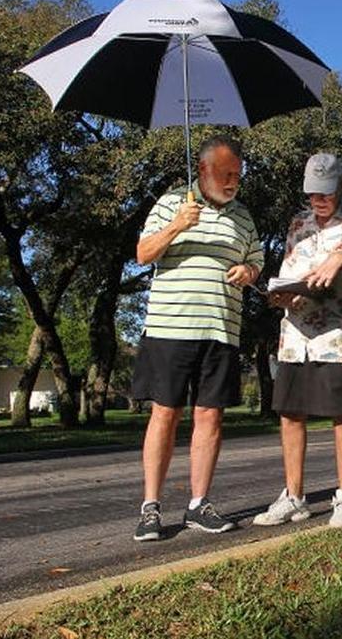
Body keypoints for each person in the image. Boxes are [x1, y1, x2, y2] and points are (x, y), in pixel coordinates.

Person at [130, 135, 262, 542]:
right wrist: (177, 225)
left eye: (237, 175)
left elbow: (255, 259)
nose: (233, 182)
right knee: (165, 414)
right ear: (203, 170)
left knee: (210, 416)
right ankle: (150, 508)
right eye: (225, 174)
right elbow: (142, 253)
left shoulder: (243, 216)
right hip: (171, 329)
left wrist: (249, 273)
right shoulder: (172, 202)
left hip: (222, 329)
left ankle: (198, 504)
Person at [254, 153, 342, 528]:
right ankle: (294, 497)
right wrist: (282, 295)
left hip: (339, 334)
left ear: (340, 187)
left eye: (325, 193)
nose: (319, 200)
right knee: (290, 412)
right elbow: (288, 272)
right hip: (296, 334)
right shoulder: (298, 224)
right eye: (313, 193)